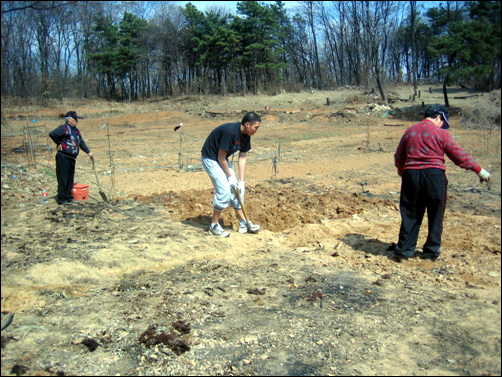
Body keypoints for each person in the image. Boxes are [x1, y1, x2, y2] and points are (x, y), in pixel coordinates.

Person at [393, 104, 491, 262]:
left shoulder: (409, 132)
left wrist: (402, 170)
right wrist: (478, 170)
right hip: (434, 176)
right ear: (438, 116)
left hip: (411, 175)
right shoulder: (440, 134)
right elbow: (458, 155)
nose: (442, 125)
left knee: (411, 213)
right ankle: (430, 252)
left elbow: (399, 156)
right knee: (435, 213)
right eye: (442, 121)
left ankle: (404, 251)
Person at [201, 112, 262, 237]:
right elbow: (221, 157)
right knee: (224, 191)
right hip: (210, 158)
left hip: (220, 159)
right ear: (247, 124)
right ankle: (214, 225)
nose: (256, 130)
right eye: (256, 127)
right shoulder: (230, 132)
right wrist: (230, 177)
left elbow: (242, 158)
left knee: (236, 190)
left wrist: (241, 181)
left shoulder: (246, 135)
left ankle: (243, 222)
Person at [49, 111, 93, 205]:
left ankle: (69, 197)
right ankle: (62, 199)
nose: (76, 121)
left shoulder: (76, 131)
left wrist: (88, 152)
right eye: (74, 119)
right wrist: (59, 143)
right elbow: (52, 134)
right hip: (63, 156)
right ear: (68, 119)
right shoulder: (64, 128)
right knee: (63, 178)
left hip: (72, 157)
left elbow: (81, 142)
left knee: (70, 178)